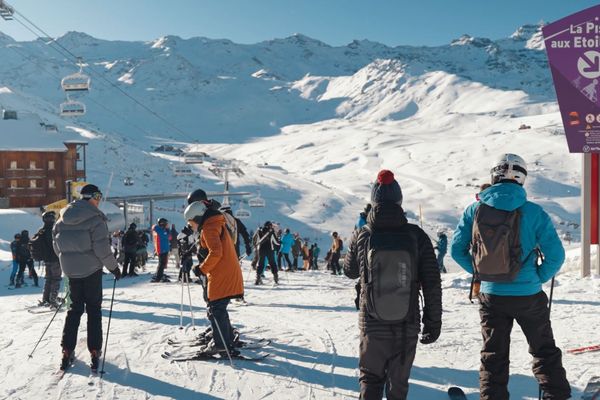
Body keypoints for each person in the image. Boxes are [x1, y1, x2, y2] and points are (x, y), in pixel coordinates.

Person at [450, 154, 571, 400]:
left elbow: (456, 250)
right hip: (528, 294)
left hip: (491, 295)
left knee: (493, 353)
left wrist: (482, 275)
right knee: (543, 349)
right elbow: (556, 256)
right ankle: (555, 395)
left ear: (494, 175)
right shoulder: (534, 212)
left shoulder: (474, 210)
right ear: (522, 178)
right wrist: (537, 277)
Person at [344, 170, 442, 400]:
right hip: (406, 324)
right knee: (398, 385)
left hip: (372, 322)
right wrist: (433, 322)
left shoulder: (363, 234)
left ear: (373, 201)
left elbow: (350, 271)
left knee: (370, 379)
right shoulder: (416, 235)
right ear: (399, 201)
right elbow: (432, 283)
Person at [52, 184, 121, 371]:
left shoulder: (62, 218)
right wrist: (114, 268)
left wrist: (66, 262)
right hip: (91, 272)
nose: (99, 201)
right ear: (90, 197)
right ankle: (94, 350)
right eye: (97, 197)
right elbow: (102, 249)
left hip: (71, 272)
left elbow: (56, 245)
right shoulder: (95, 219)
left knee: (74, 310)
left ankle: (67, 350)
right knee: (93, 310)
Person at [183, 201, 244, 356]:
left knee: (216, 309)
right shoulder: (215, 223)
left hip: (221, 273)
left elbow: (216, 252)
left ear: (197, 217)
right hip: (226, 271)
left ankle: (221, 345)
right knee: (219, 309)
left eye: (191, 222)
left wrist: (201, 268)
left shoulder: (210, 227)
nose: (191, 226)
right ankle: (226, 340)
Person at [33, 211, 62, 307]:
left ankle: (46, 299)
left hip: (46, 259)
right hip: (55, 258)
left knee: (48, 279)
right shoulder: (54, 230)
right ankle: (53, 299)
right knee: (56, 279)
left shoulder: (41, 231)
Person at [151, 218, 171, 282]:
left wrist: (167, 230)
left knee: (162, 264)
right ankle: (158, 278)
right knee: (162, 264)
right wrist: (168, 230)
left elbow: (169, 237)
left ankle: (159, 275)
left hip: (163, 249)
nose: (167, 225)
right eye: (166, 224)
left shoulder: (160, 230)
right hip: (162, 249)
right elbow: (168, 237)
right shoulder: (159, 230)